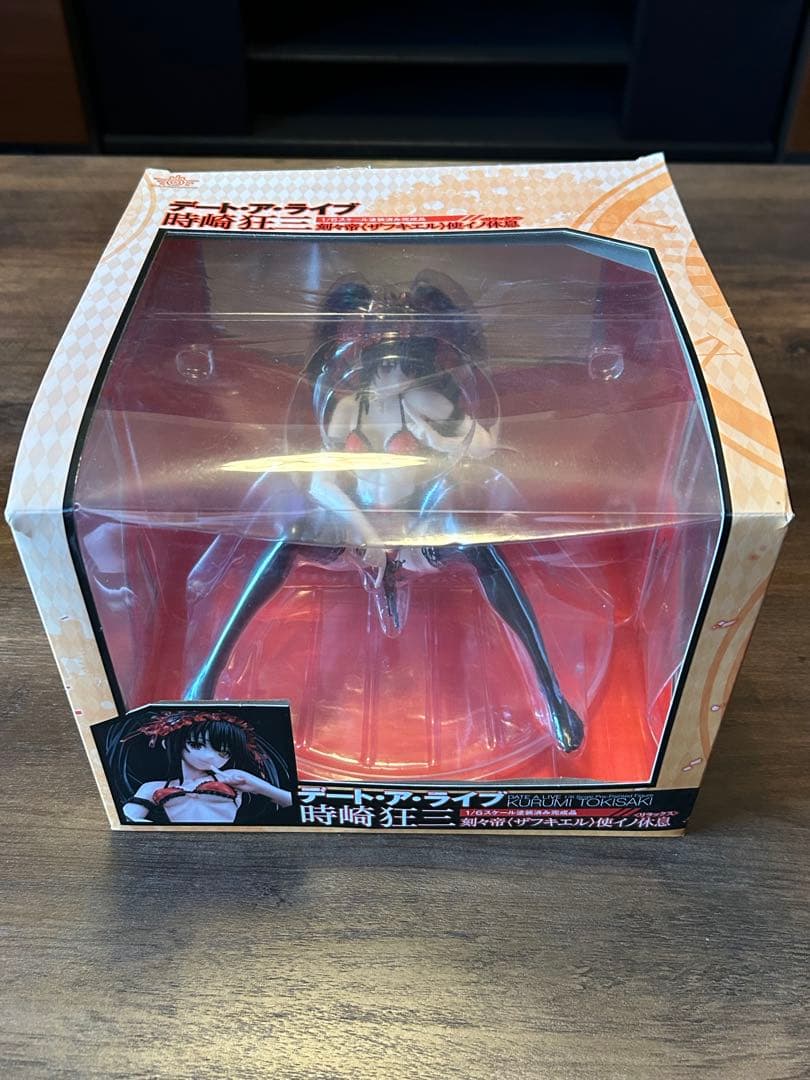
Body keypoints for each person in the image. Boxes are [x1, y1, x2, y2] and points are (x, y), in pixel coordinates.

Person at [184, 272, 584, 753]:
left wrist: (435, 432)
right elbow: (323, 484)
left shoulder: (425, 399)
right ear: (372, 364)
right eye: (394, 367)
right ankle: (208, 676)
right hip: (356, 535)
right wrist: (368, 536)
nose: (403, 376)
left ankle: (551, 693)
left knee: (481, 547)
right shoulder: (347, 409)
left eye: (412, 367)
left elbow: (481, 448)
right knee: (288, 536)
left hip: (418, 532)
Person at [119, 710, 293, 825]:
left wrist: (256, 786)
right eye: (196, 745)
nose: (210, 756)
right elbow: (129, 818)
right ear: (169, 743)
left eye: (223, 752)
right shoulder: (152, 787)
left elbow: (291, 802)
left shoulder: (232, 777)